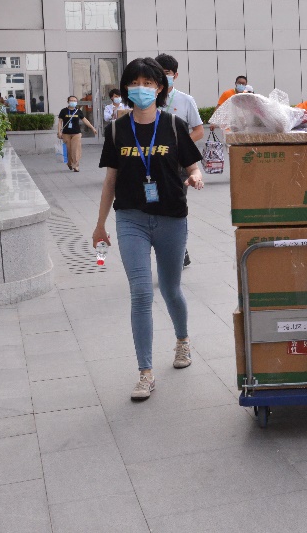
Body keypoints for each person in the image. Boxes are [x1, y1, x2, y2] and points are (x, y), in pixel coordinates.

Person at [92, 57, 205, 401]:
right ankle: (145, 372)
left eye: (148, 83)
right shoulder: (116, 130)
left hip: (171, 217)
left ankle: (182, 340)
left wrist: (196, 177)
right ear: (126, 88)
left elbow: (193, 165)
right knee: (141, 292)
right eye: (134, 82)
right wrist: (100, 225)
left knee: (171, 289)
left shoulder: (173, 125)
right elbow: (110, 180)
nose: (140, 88)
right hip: (131, 219)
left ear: (159, 88)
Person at [155, 54, 205, 268]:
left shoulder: (185, 100)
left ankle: (180, 249)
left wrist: (178, 146)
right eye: (159, 73)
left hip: (177, 164)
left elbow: (199, 131)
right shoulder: (148, 100)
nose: (163, 77)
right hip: (152, 165)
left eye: (167, 73)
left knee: (176, 205)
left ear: (175, 75)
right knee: (154, 206)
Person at [57, 95, 95, 172]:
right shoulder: (63, 111)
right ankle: (70, 163)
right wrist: (59, 132)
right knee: (68, 150)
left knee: (76, 150)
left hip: (76, 133)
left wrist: (92, 128)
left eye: (75, 101)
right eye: (71, 100)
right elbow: (60, 122)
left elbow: (85, 120)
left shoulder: (78, 111)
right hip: (66, 133)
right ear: (68, 102)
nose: (73, 102)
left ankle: (76, 166)